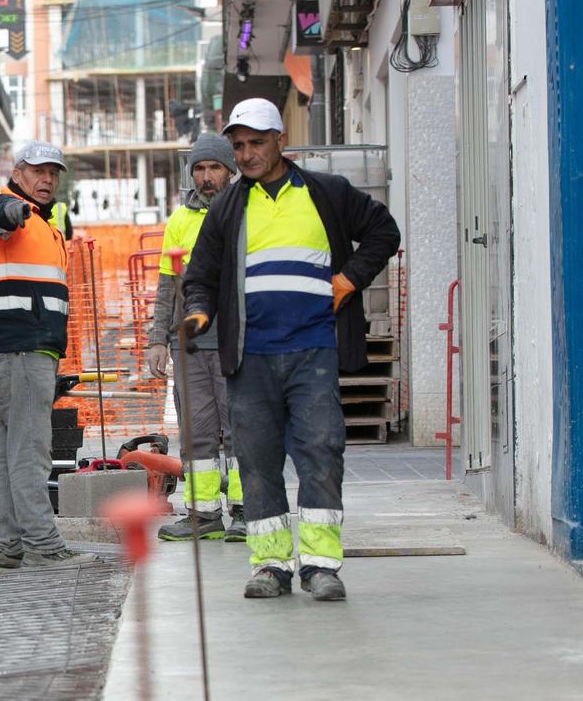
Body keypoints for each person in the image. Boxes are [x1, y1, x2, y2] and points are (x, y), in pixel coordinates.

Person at [182, 98, 401, 601]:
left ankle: (322, 566)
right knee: (257, 462)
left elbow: (382, 233)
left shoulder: (327, 192)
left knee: (320, 454)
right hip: (251, 357)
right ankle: (271, 566)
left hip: (313, 351)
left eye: (256, 143)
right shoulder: (228, 208)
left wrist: (348, 279)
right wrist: (199, 310)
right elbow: (200, 275)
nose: (246, 154)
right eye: (238, 146)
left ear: (281, 140)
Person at [0, 140, 92, 571]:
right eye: (38, 171)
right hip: (22, 349)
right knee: (30, 448)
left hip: (11, 350)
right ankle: (43, 544)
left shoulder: (43, 225)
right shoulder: (9, 210)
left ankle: (1, 545)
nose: (47, 179)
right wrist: (9, 212)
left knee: (3, 449)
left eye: (54, 173)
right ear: (18, 174)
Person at [146, 132, 244, 543]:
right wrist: (157, 339)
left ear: (230, 171)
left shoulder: (247, 213)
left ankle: (246, 511)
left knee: (242, 431)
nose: (206, 177)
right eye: (199, 169)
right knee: (196, 434)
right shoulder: (180, 220)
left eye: (214, 168)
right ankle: (203, 515)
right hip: (189, 347)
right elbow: (169, 287)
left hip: (235, 343)